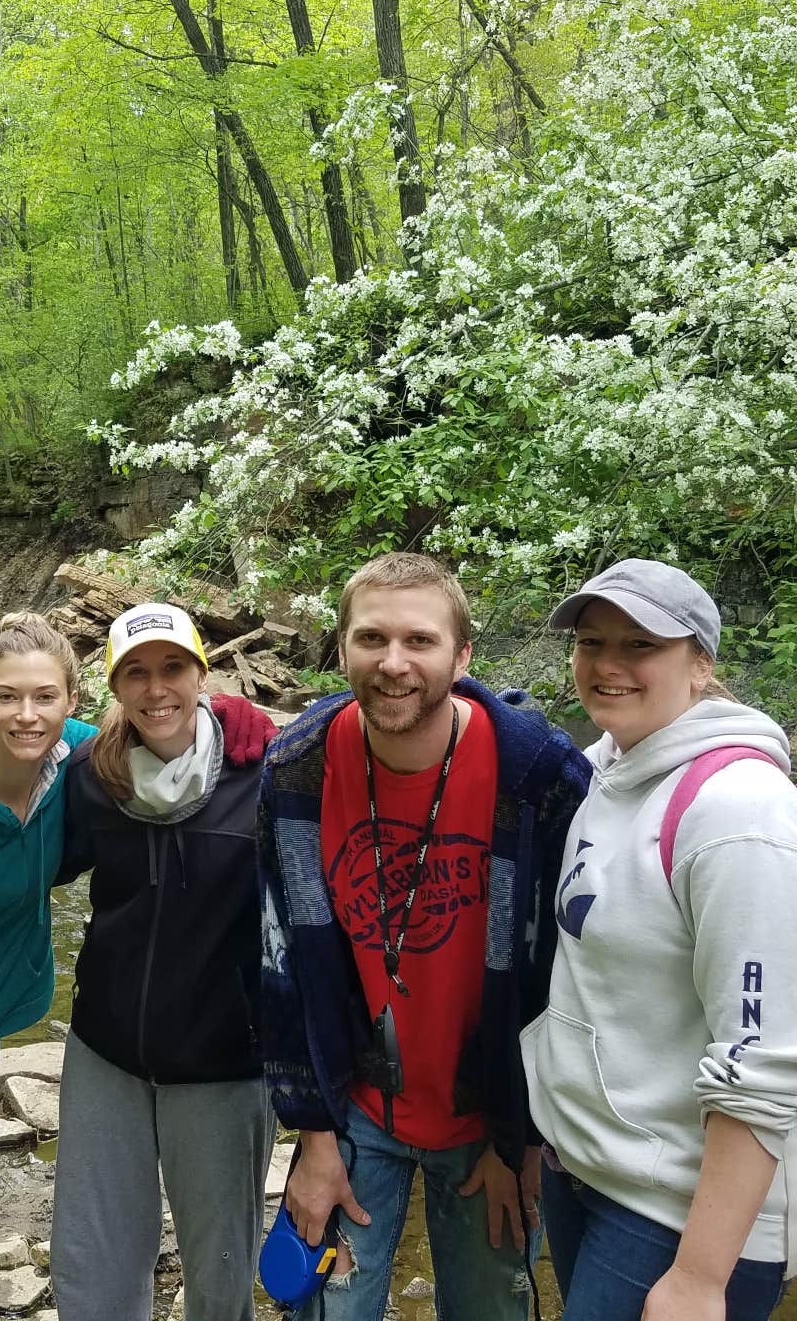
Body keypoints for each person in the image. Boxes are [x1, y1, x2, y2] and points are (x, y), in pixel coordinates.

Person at [0, 610, 273, 1321]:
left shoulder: (80, 762)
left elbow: (170, 721)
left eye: (45, 698)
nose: (27, 716)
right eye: (7, 697)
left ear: (72, 703)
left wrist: (234, 714)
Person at [260, 553, 592, 1321]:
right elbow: (281, 966)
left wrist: (526, 1142)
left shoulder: (540, 777)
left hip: (490, 1122)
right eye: (371, 639)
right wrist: (311, 1142)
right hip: (354, 1112)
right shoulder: (297, 769)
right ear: (340, 648)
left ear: (463, 655)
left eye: (420, 641)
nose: (394, 663)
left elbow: (571, 978)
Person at [525, 559, 797, 1321]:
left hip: (679, 1216)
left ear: (700, 664)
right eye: (591, 640)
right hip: (589, 1173)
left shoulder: (741, 815)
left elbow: (771, 1059)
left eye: (640, 645)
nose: (607, 664)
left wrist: (703, 1276)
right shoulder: (605, 769)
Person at [51, 603, 278, 1321]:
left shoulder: (265, 768)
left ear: (202, 673)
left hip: (223, 1064)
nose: (157, 690)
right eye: (136, 674)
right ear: (114, 688)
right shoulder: (92, 772)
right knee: (92, 1268)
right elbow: (21, 809)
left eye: (173, 668)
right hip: (106, 1054)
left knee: (220, 1276)